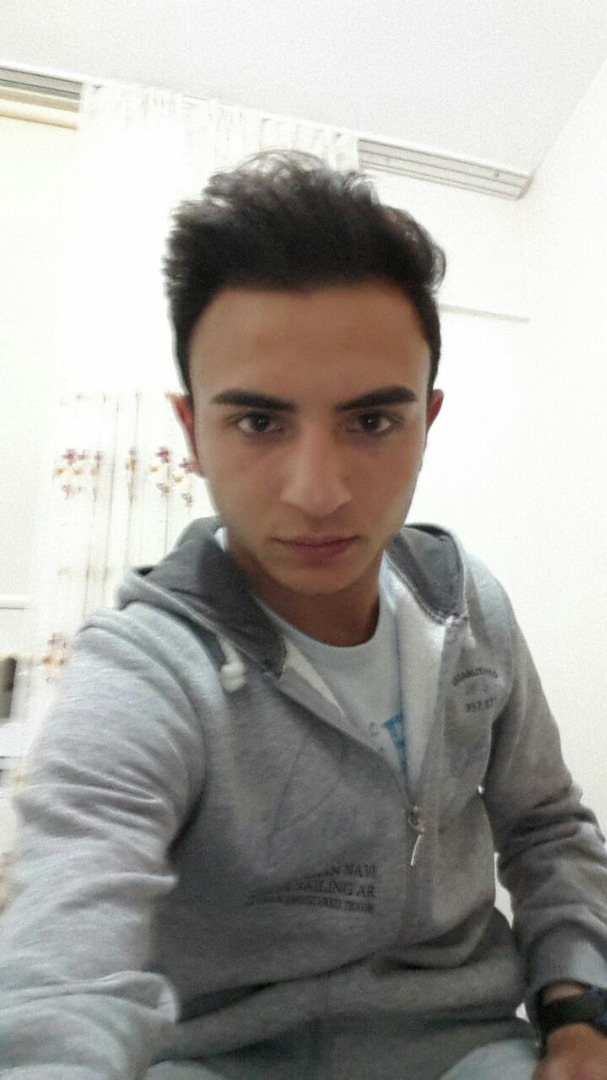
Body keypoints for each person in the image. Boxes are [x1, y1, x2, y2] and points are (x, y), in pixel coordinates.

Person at [0, 152, 606, 1080]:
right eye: (258, 423)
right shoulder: (144, 670)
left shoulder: (468, 607)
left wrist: (577, 1013)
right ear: (192, 431)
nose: (317, 493)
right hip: (216, 1054)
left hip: (462, 1046)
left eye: (371, 422)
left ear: (426, 421)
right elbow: (63, 960)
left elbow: (546, 829)